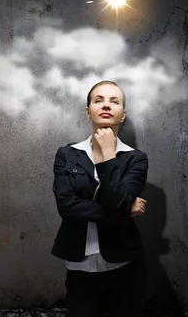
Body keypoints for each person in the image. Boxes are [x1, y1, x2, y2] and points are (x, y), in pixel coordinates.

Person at [51, 80, 149, 317]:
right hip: (78, 264)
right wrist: (124, 210)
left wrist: (107, 156)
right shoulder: (67, 154)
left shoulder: (136, 159)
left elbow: (114, 204)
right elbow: (67, 207)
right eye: (98, 100)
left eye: (114, 101)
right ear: (88, 112)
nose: (106, 105)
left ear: (122, 114)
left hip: (123, 264)